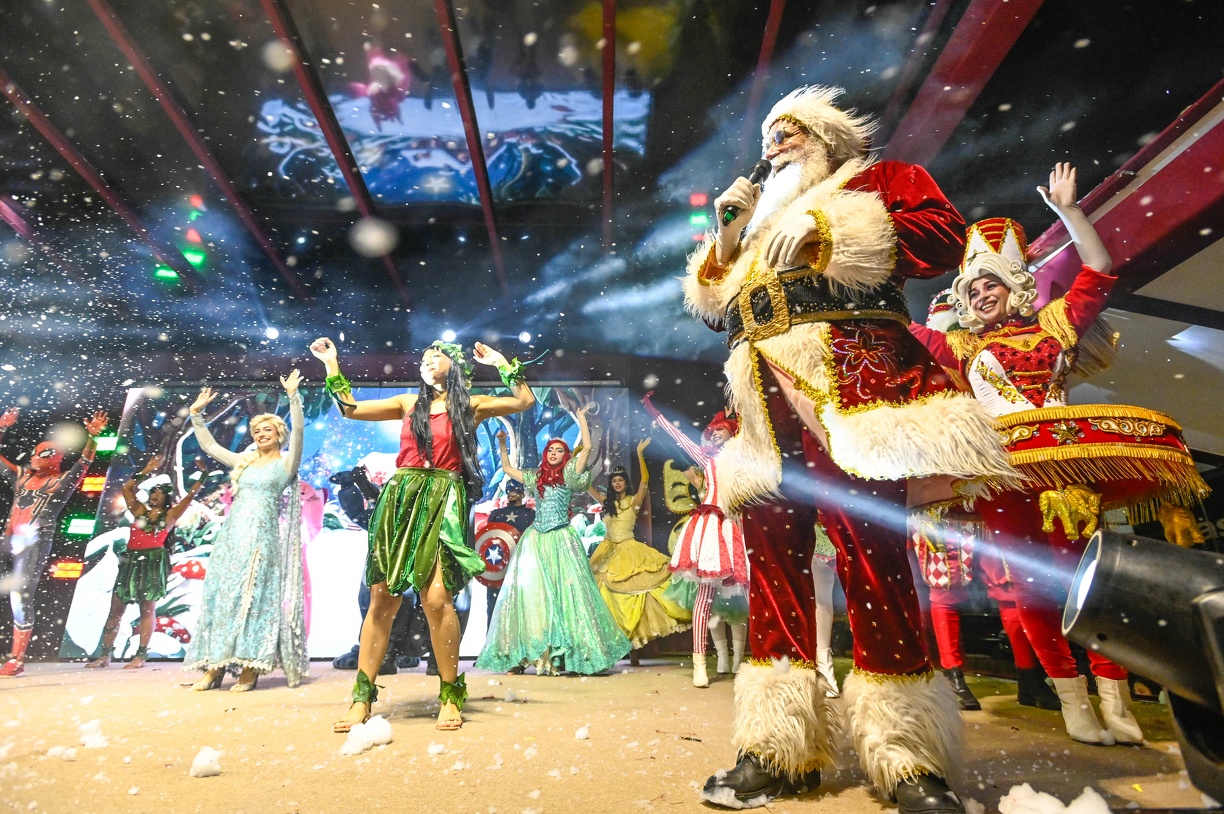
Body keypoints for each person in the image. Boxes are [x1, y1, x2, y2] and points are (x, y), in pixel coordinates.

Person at [682, 85, 1019, 811]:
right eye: (769, 135)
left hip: (853, 390)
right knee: (772, 569)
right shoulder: (757, 208)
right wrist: (729, 237)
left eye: (789, 132)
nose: (774, 145)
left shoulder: (879, 180)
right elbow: (715, 307)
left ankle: (906, 756)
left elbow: (940, 235)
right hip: (763, 407)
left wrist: (826, 237)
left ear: (828, 139)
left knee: (876, 560)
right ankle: (775, 748)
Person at [909, 163, 1209, 745]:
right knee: (1030, 589)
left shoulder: (1053, 327)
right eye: (972, 288)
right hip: (1002, 475)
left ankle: (1115, 698)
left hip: (1066, 469)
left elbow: (1099, 270)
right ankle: (1073, 701)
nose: (981, 294)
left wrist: (1070, 213)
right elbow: (898, 332)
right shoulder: (961, 345)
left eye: (991, 283)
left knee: (1088, 583)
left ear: (1014, 284)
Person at [310, 337, 535, 733]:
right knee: (382, 596)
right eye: (426, 356)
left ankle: (450, 694)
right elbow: (350, 409)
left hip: (443, 498)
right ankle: (362, 698)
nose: (429, 359)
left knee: (436, 598)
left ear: (456, 368)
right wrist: (331, 363)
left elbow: (523, 400)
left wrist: (501, 362)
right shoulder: (405, 403)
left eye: (439, 355)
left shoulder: (471, 406)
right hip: (401, 497)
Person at [477, 415, 630, 675]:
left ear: (565, 455)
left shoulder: (570, 475)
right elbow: (508, 470)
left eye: (560, 450)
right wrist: (503, 445)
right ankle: (530, 653)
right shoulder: (536, 476)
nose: (554, 453)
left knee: (568, 596)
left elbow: (589, 449)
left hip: (561, 538)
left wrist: (582, 418)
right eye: (551, 449)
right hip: (536, 540)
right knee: (532, 598)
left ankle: (569, 655)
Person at [183, 371, 307, 692]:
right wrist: (196, 414)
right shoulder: (243, 461)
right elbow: (209, 445)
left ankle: (250, 668)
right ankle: (215, 667)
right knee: (224, 597)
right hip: (231, 538)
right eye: (256, 430)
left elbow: (299, 434)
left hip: (261, 540)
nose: (261, 433)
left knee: (253, 599)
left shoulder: (286, 464)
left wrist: (293, 397)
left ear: (279, 435)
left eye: (268, 430)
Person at [641, 394, 746, 688]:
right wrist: (656, 414)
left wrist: (742, 414)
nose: (714, 432)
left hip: (734, 527)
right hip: (711, 525)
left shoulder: (745, 458)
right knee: (704, 596)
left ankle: (748, 658)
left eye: (721, 428)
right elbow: (679, 437)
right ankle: (700, 662)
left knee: (744, 597)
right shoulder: (707, 458)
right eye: (712, 430)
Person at [0, 408, 108, 678]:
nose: (35, 457)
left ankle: (17, 657)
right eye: (35, 453)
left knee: (20, 597)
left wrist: (92, 437)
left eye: (42, 453)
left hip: (34, 541)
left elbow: (84, 462)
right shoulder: (23, 475)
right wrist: (2, 428)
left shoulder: (61, 481)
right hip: (8, 538)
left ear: (53, 458)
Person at [86, 454, 208, 669]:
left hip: (152, 562)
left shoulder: (170, 515)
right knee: (116, 609)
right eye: (153, 493)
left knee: (147, 609)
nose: (155, 496)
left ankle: (140, 656)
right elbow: (127, 489)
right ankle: (105, 655)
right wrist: (146, 469)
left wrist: (203, 476)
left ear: (166, 498)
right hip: (131, 561)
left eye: (160, 494)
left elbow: (189, 497)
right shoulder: (140, 511)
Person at [588, 440, 691, 655]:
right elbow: (586, 486)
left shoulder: (633, 502)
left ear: (626, 483)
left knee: (636, 590)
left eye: (620, 480)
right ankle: (610, 640)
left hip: (629, 550)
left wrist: (639, 453)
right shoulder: (607, 502)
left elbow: (645, 479)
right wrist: (581, 461)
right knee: (602, 592)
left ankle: (633, 641)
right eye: (614, 480)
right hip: (606, 551)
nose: (617, 483)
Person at [482, 477, 535, 626]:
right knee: (493, 605)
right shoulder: (496, 514)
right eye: (509, 490)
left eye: (515, 490)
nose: (511, 493)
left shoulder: (530, 514)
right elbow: (488, 540)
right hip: (497, 564)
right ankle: (491, 638)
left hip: (521, 565)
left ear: (523, 493)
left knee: (519, 605)